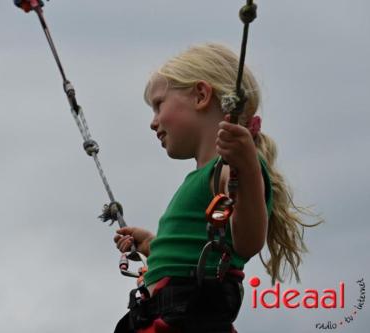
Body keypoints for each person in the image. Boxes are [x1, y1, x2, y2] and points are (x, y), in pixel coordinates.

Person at [113, 43, 317, 333]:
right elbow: (200, 246)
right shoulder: (202, 176)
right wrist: (154, 246)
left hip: (188, 318)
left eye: (159, 105)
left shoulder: (230, 168)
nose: (153, 122)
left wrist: (245, 164)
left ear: (201, 95)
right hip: (166, 313)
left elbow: (246, 241)